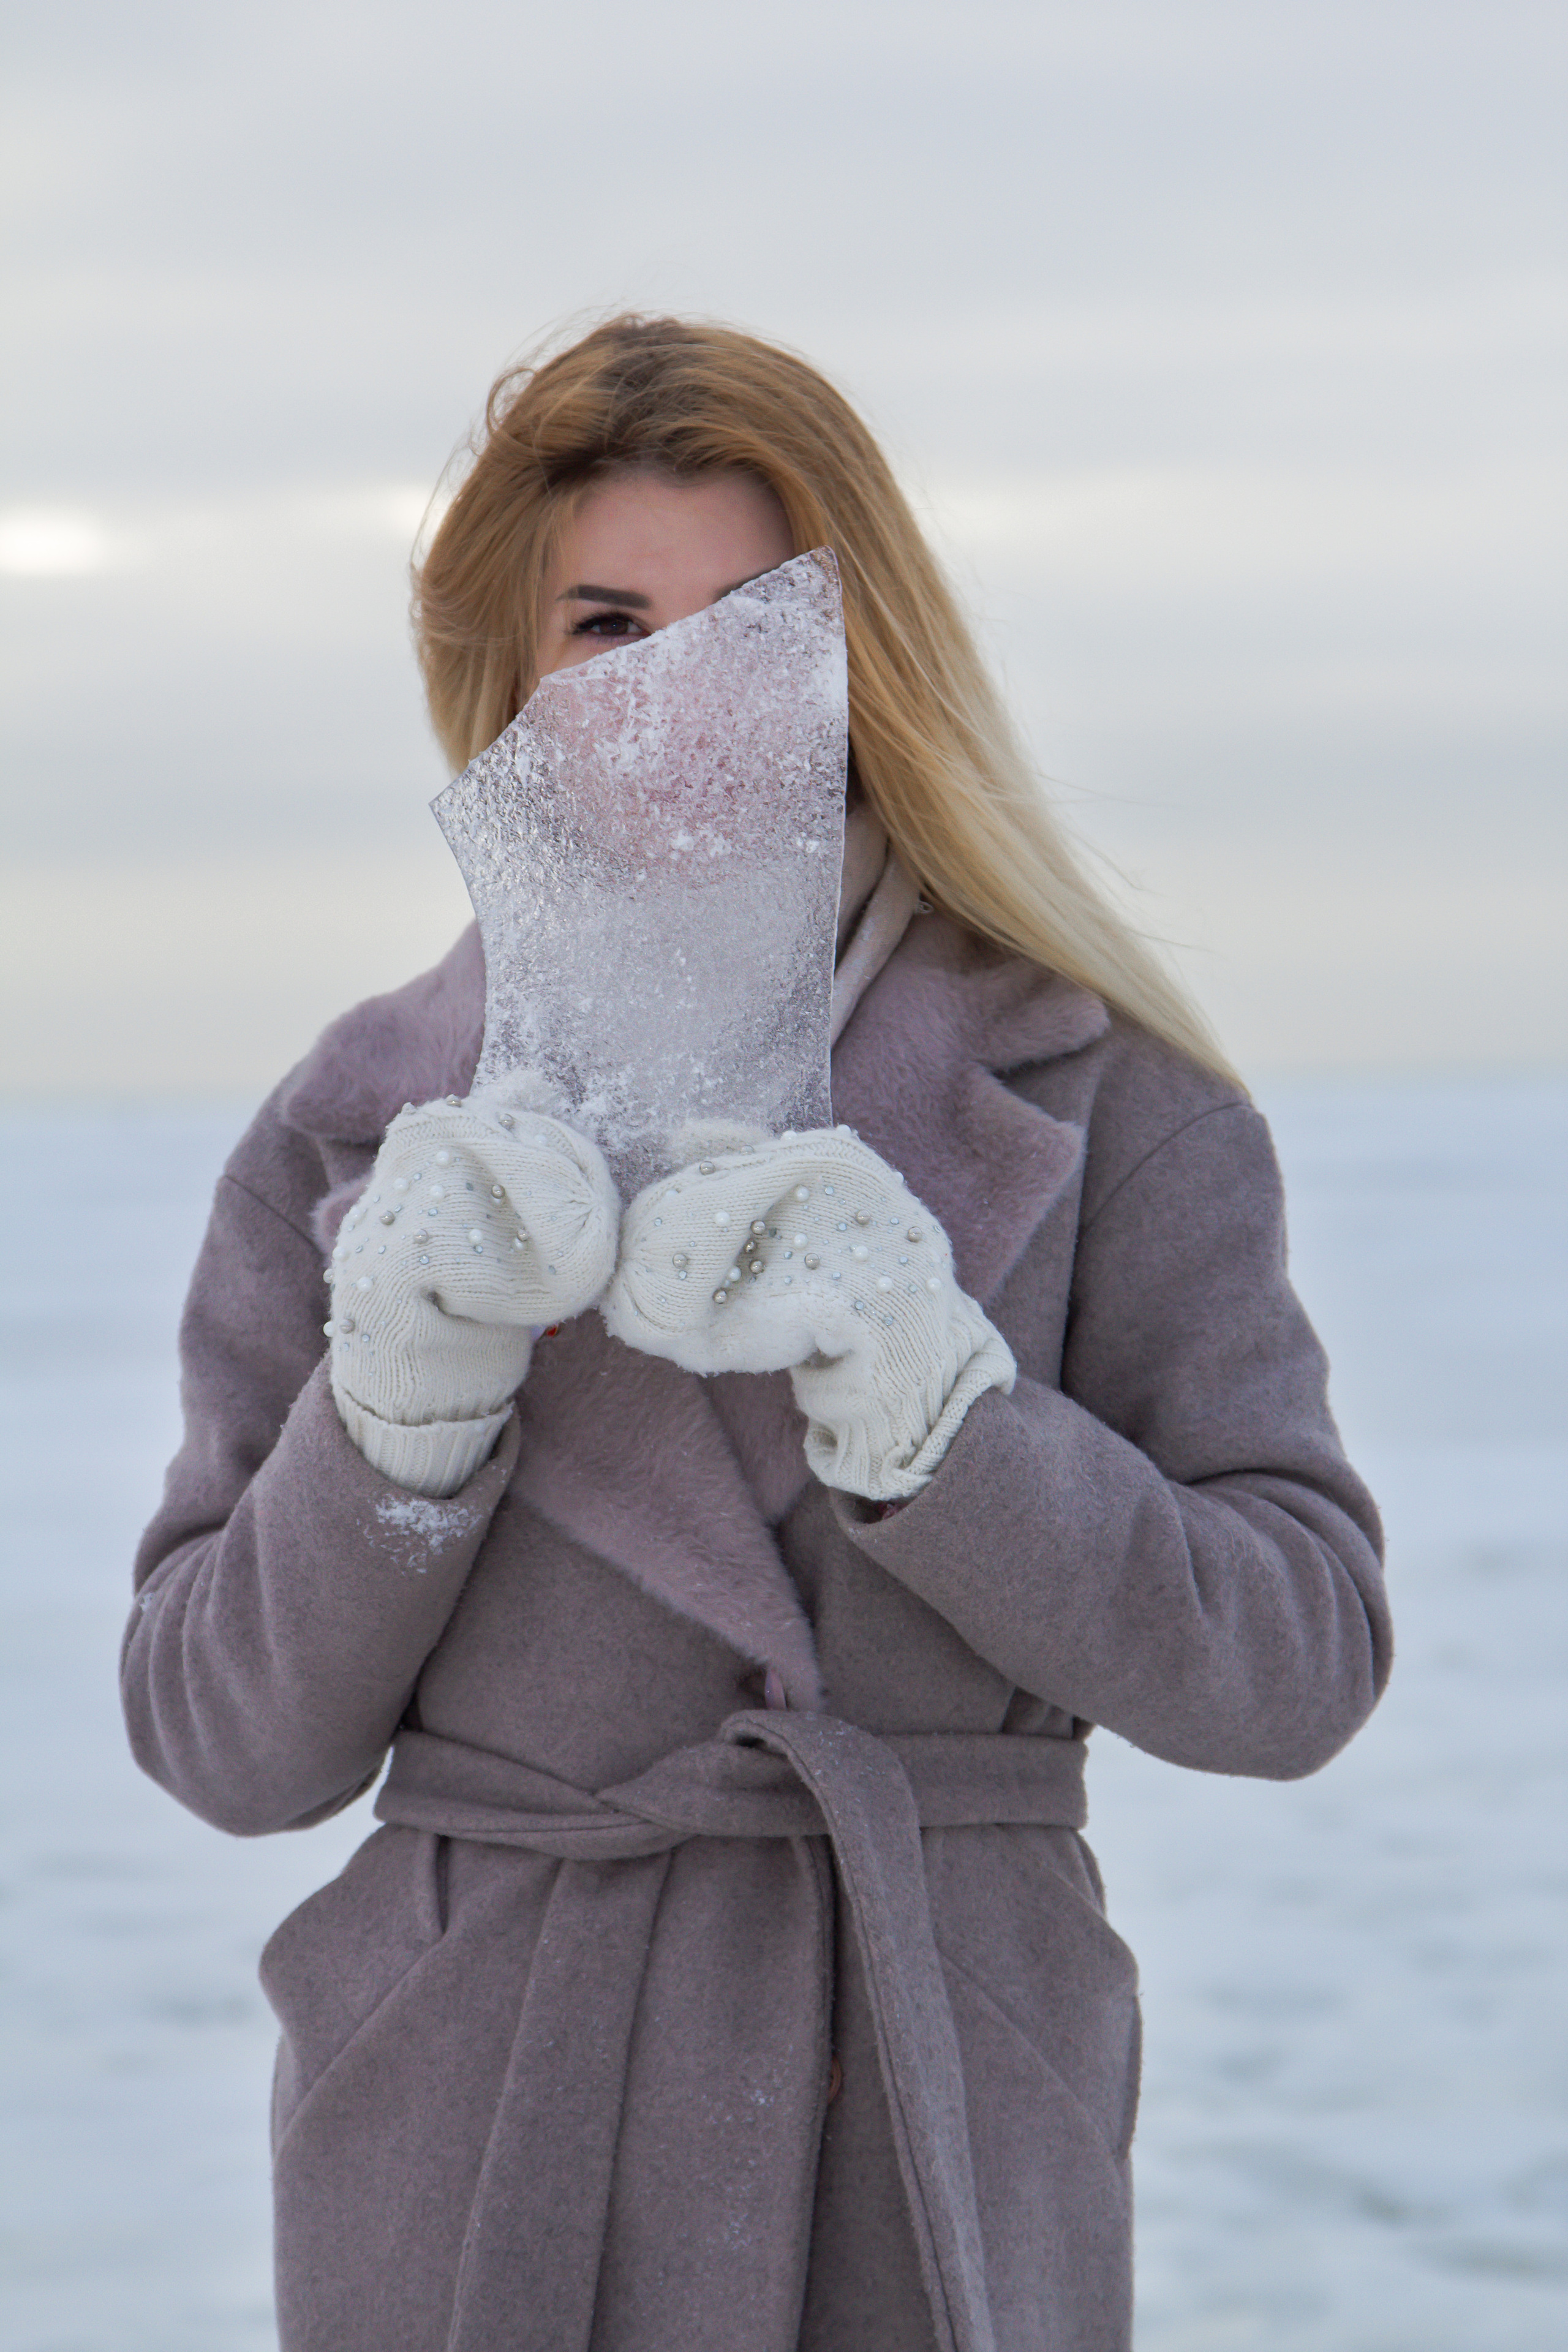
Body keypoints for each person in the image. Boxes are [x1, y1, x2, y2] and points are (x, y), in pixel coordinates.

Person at [122, 315, 1391, 2352]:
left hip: (928, 2088)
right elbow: (219, 1740)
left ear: (865, 653)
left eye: (757, 621)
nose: (684, 693)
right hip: (475, 2121)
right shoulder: (357, 1129)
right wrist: (396, 1429)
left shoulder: (1102, 1092)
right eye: (610, 624)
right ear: (508, 669)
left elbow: (1299, 1662)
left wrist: (948, 1425)